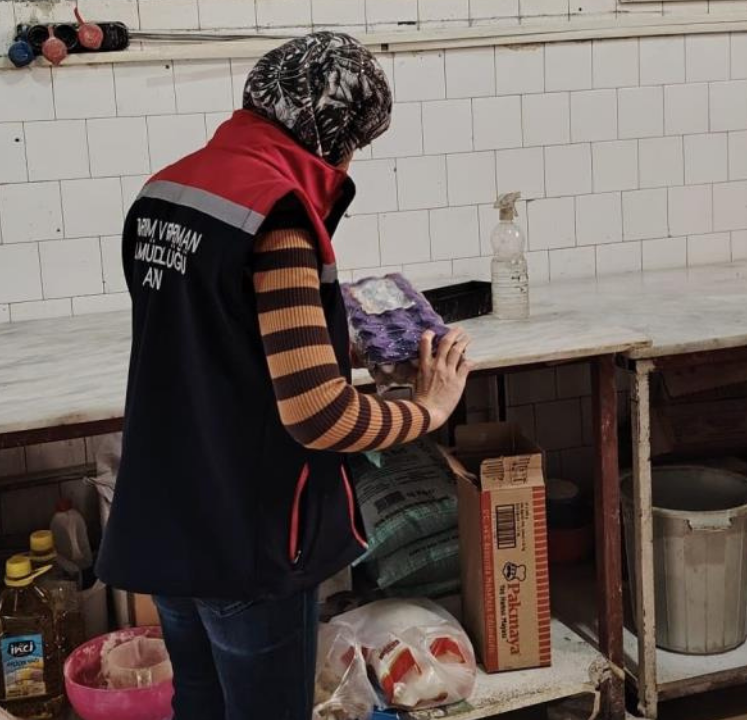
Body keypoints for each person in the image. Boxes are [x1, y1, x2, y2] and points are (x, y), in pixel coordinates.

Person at [96, 32, 473, 720]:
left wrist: (332, 340)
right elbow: (319, 415)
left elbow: (209, 336)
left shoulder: (166, 191)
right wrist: (429, 408)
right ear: (334, 138)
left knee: (200, 706)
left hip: (164, 517)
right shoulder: (279, 215)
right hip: (243, 534)